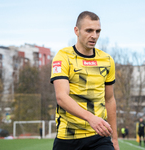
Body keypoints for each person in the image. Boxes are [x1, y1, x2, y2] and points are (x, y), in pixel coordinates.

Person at [50, 11, 120, 150]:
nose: (94, 36)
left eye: (97, 31)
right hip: (68, 138)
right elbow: (62, 97)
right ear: (76, 31)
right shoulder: (63, 57)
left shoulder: (107, 60)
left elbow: (110, 100)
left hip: (99, 137)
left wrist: (115, 140)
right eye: (89, 30)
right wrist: (91, 118)